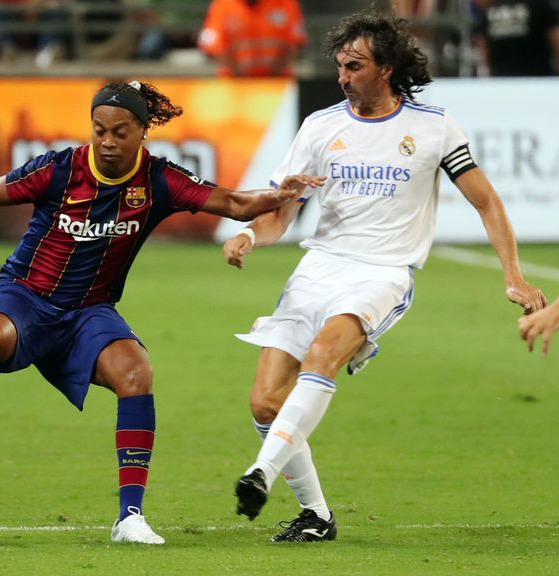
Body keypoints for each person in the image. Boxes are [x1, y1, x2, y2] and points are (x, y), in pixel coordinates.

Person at [0, 80, 318, 546]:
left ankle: (129, 518)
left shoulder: (159, 180)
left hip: (88, 312)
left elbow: (234, 203)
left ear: (142, 132)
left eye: (120, 132)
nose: (107, 142)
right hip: (24, 294)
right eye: (99, 130)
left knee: (135, 372)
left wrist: (279, 195)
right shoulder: (59, 169)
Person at [222, 8, 547, 543]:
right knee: (263, 402)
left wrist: (512, 275)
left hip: (382, 273)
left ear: (387, 67)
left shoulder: (433, 127)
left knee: (325, 354)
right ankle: (317, 516)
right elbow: (283, 208)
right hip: (318, 267)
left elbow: (487, 203)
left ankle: (262, 470)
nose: (343, 77)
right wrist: (250, 236)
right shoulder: (320, 126)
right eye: (341, 66)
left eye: (354, 66)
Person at [197, 0, 307, 77]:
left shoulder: (285, 3)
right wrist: (240, 74)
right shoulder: (221, 6)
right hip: (234, 85)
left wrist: (272, 74)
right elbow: (215, 48)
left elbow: (294, 43)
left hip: (277, 84)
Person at [472, 0, 559, 76]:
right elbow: (555, 37)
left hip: (503, 80)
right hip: (537, 79)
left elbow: (482, 46)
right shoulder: (539, 4)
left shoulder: (491, 8)